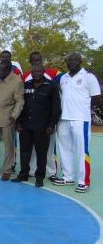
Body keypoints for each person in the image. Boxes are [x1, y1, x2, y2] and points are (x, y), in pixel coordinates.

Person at [54, 52, 102, 193]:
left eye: (75, 60)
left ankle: (83, 181)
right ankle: (68, 176)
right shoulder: (63, 78)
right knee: (64, 149)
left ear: (80, 61)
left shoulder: (88, 77)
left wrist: (83, 109)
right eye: (69, 60)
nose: (71, 62)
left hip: (80, 119)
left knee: (82, 151)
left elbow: (97, 98)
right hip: (63, 119)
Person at [12, 64, 61, 187]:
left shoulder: (51, 86)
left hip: (43, 127)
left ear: (43, 71)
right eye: (34, 71)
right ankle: (23, 174)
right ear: (31, 73)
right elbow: (19, 105)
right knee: (24, 152)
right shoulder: (26, 85)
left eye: (39, 71)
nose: (36, 73)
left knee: (41, 153)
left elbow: (56, 108)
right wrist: (17, 122)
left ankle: (40, 178)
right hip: (25, 125)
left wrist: (51, 125)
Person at [22, 51, 62, 181]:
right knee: (28, 151)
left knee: (46, 151)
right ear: (30, 62)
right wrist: (19, 122)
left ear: (42, 62)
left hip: (44, 124)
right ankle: (29, 172)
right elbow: (21, 102)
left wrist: (52, 124)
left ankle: (50, 173)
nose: (36, 63)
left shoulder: (53, 76)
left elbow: (56, 105)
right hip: (27, 123)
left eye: (39, 60)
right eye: (34, 61)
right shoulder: (26, 79)